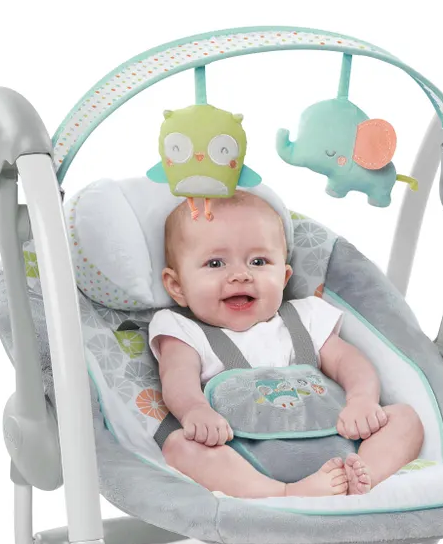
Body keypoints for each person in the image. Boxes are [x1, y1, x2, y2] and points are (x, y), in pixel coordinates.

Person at [149, 190, 423, 498]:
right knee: (179, 445)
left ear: (283, 276)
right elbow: (177, 379)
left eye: (258, 261)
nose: (240, 275)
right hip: (244, 456)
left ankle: (361, 476)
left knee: (405, 418)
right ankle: (282, 493)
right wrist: (195, 411)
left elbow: (349, 361)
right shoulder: (183, 330)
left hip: (338, 440)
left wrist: (362, 400)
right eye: (215, 263)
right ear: (177, 286)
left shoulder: (306, 316)